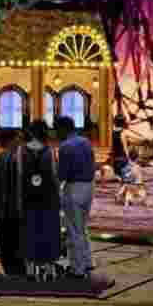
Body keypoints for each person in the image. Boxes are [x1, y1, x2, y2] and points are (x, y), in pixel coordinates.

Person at [55, 115, 97, 279]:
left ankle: (77, 269)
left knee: (73, 230)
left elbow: (62, 175)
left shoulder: (65, 146)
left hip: (74, 189)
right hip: (89, 186)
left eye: (57, 129)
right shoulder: (85, 142)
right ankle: (87, 261)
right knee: (82, 227)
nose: (56, 133)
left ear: (63, 129)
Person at [19, 119, 62, 278]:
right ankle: (50, 269)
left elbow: (19, 175)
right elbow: (55, 176)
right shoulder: (50, 151)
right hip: (48, 198)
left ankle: (30, 269)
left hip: (28, 197)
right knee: (49, 231)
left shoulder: (22, 151)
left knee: (30, 231)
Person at [0, 128, 25, 275]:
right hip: (17, 210)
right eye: (19, 138)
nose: (21, 141)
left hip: (2, 209)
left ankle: (9, 271)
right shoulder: (18, 159)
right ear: (11, 140)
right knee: (17, 243)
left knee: (5, 243)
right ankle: (18, 272)